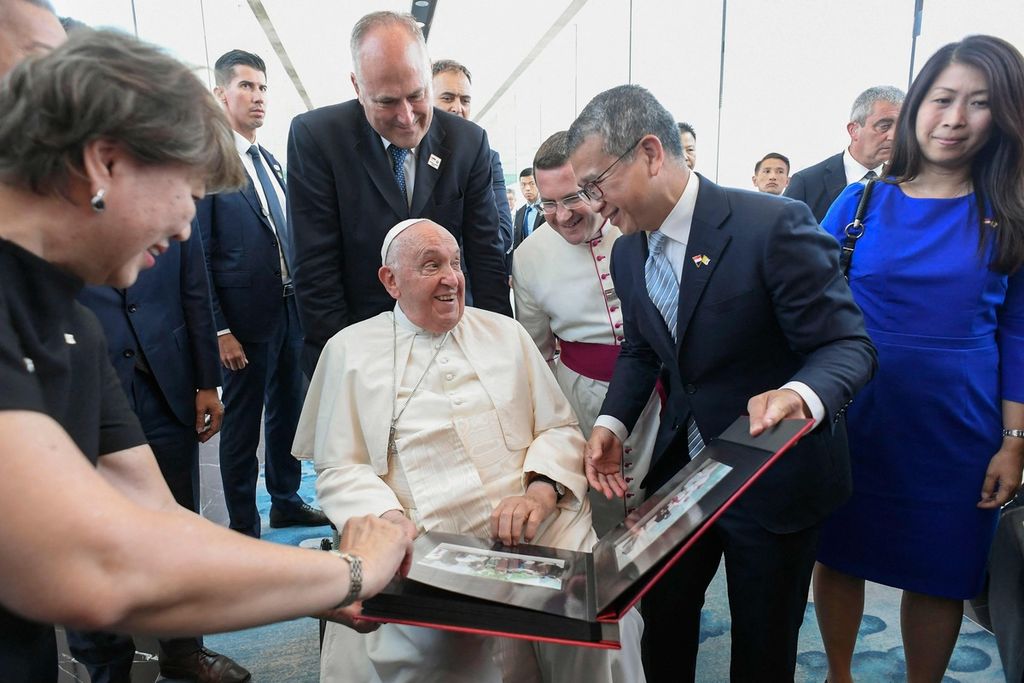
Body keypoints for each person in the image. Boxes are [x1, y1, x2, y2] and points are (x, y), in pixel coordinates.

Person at [0, 26, 409, 683]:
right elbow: (96, 569)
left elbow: (160, 520)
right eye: (186, 193)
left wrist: (331, 579)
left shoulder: (72, 322)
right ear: (106, 162)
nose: (187, 226)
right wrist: (354, 570)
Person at [567, 84, 876, 682]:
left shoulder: (773, 225)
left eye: (596, 183)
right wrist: (612, 422)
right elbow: (640, 348)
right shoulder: (628, 252)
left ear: (651, 154)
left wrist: (799, 395)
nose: (592, 204)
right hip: (684, 475)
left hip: (773, 475)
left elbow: (848, 346)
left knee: (762, 644)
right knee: (666, 617)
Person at [293, 219, 645, 683]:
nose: (451, 278)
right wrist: (392, 523)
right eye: (431, 265)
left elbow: (559, 428)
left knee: (605, 620)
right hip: (423, 536)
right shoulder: (349, 351)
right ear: (390, 281)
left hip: (540, 526)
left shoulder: (506, 333)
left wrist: (539, 494)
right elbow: (339, 467)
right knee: (430, 648)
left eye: (455, 264)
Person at [813, 35, 1024, 683]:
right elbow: (805, 303)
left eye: (979, 103)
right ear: (916, 108)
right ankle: (839, 674)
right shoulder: (861, 202)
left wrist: (1015, 440)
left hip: (960, 430)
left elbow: (1018, 335)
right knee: (839, 555)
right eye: (942, 98)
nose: (955, 117)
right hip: (858, 418)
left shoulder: (1010, 215)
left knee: (943, 570)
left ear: (1005, 116)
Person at [287, 11, 511, 375]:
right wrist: (346, 367)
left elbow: (486, 258)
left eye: (417, 95)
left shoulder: (468, 142)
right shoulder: (318, 138)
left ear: (427, 74)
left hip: (452, 341)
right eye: (387, 102)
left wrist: (501, 348)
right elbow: (316, 270)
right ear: (357, 87)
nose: (407, 117)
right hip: (363, 344)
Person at [75, 220, 245, 679]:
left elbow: (195, 289)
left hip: (164, 380)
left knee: (177, 518)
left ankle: (185, 650)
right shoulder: (54, 192)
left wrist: (206, 380)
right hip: (83, 384)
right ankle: (107, 665)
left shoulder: (166, 191)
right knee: (93, 535)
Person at [196, 49, 328, 538]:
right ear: (220, 94)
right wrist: (219, 329)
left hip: (288, 310)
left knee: (288, 413)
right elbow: (200, 256)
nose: (257, 97)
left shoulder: (268, 159)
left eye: (263, 88)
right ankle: (243, 526)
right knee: (243, 425)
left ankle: (287, 500)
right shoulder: (212, 163)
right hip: (242, 322)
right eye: (246, 87)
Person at [511, 130, 659, 535]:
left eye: (573, 197)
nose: (562, 215)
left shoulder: (636, 225)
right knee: (603, 514)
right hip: (581, 399)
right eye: (549, 204)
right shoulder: (528, 257)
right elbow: (536, 354)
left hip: (662, 397)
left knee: (666, 511)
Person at [431, 58, 514, 272]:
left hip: (465, 283)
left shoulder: (487, 158)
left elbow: (502, 233)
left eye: (465, 100)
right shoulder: (407, 155)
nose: (457, 108)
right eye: (447, 98)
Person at [785, 85, 905, 221]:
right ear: (854, 130)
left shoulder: (905, 183)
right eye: (884, 126)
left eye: (901, 127)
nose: (894, 136)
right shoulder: (807, 183)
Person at [513, 166, 544, 249]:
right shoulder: (519, 213)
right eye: (523, 185)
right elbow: (517, 242)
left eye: (532, 184)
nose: (527, 188)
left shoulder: (548, 209)